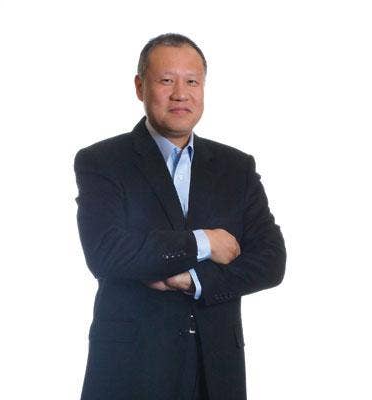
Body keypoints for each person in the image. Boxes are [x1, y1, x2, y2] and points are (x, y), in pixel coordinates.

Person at [74, 33, 286, 400]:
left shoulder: (236, 167)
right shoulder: (102, 162)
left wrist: (190, 279)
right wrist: (205, 241)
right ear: (140, 87)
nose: (180, 94)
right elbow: (107, 253)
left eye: (192, 82)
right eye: (166, 80)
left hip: (216, 369)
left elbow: (270, 261)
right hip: (131, 368)